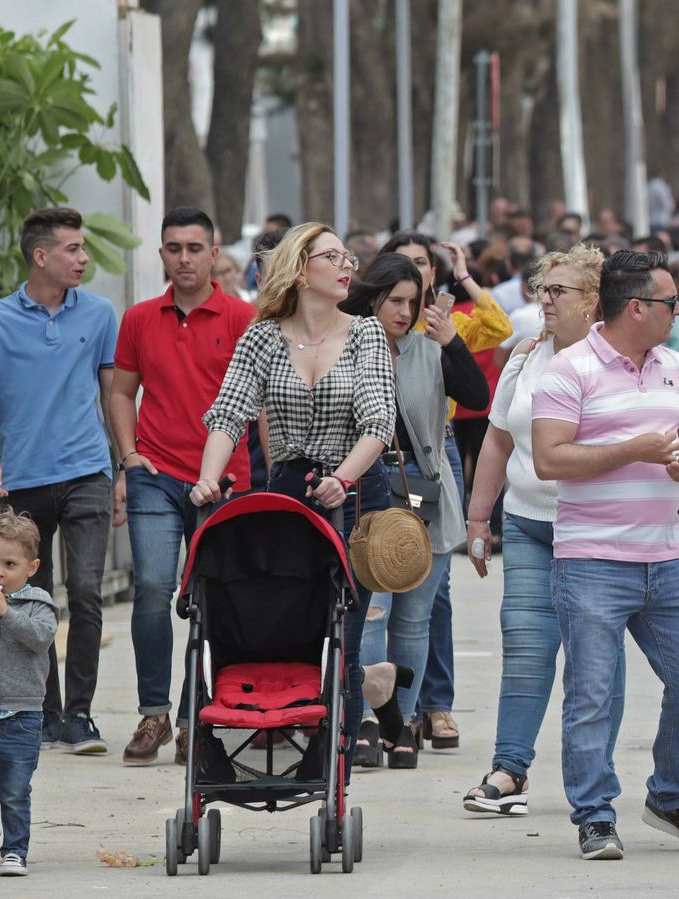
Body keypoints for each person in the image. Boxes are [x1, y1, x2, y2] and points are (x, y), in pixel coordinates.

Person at [532, 249, 679, 860]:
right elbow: (549, 459)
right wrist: (634, 450)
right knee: (591, 694)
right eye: (670, 302)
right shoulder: (569, 370)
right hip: (591, 557)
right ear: (637, 307)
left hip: (666, 555)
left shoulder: (673, 364)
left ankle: (671, 795)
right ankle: (594, 814)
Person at [193, 222, 397, 773]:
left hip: (356, 492)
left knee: (346, 639)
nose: (346, 264)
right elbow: (228, 412)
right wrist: (209, 478)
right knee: (289, 622)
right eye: (332, 256)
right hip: (287, 493)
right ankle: (275, 729)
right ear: (301, 270)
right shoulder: (262, 337)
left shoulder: (366, 333)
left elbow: (379, 421)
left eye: (347, 255)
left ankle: (333, 768)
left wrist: (344, 478)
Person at [461, 245, 623, 814]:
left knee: (596, 659)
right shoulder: (526, 356)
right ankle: (509, 771)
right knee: (526, 647)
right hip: (530, 523)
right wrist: (479, 516)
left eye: (560, 292)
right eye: (543, 289)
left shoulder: (619, 362)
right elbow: (498, 439)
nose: (545, 300)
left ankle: (595, 776)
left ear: (594, 302)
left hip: (597, 531)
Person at [109, 207, 255, 766]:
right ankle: (155, 713)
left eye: (195, 248)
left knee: (216, 596)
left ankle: (203, 716)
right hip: (156, 476)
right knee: (151, 589)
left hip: (226, 481)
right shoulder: (141, 318)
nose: (185, 258)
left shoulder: (243, 318)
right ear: (162, 254)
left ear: (214, 254)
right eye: (174, 248)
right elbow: (122, 392)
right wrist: (128, 456)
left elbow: (259, 403)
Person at [0, 207, 116, 754]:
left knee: (85, 591)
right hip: (22, 479)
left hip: (87, 471)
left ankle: (79, 716)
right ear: (41, 256)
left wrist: (123, 463)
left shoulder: (100, 313)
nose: (83, 258)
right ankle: (44, 713)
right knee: (31, 594)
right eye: (73, 249)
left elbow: (112, 393)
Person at [343, 253, 487, 769]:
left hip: (423, 491)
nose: (405, 312)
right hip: (366, 492)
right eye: (395, 301)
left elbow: (476, 395)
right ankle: (365, 721)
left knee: (415, 616)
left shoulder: (430, 346)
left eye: (414, 301)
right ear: (373, 298)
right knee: (371, 612)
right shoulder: (347, 342)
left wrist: (451, 339)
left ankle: (401, 725)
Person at [380, 231, 510, 749]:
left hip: (438, 451)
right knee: (379, 599)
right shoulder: (365, 336)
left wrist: (464, 278)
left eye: (422, 268)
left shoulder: (444, 325)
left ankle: (433, 706)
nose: (414, 279)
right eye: (403, 268)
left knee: (434, 593)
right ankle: (379, 715)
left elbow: (497, 328)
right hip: (381, 468)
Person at [0, 511, 58, 877]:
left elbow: (39, 639)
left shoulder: (39, 604)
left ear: (32, 566)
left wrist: (7, 612)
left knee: (15, 790)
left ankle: (15, 851)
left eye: (9, 564)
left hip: (21, 717)